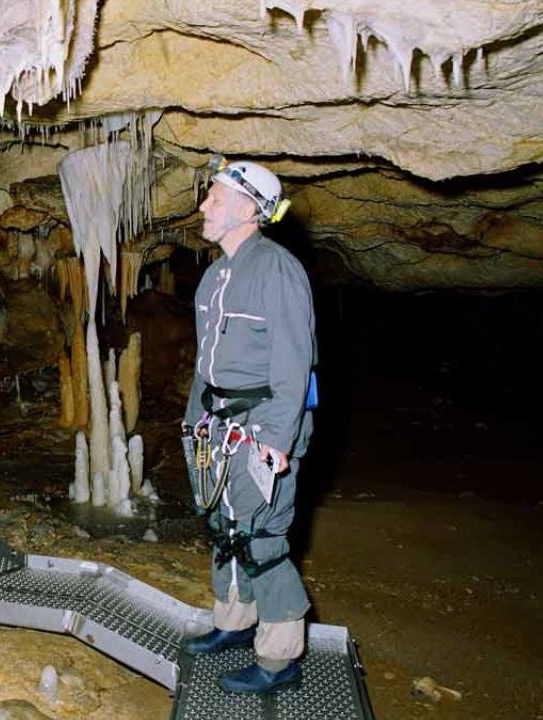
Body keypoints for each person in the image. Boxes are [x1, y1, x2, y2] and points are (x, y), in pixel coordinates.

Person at [181, 157, 317, 694]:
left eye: (213, 197)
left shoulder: (277, 268)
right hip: (216, 425)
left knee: (262, 536)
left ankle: (280, 657)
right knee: (225, 529)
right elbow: (205, 362)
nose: (204, 205)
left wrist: (277, 440)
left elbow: (294, 361)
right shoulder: (216, 276)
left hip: (261, 428)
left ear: (246, 207)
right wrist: (195, 420)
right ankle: (234, 623)